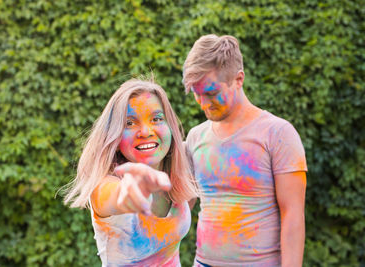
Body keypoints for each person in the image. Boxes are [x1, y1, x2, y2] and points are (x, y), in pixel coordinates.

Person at [182, 34, 307, 267]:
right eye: (196, 93)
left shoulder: (278, 134)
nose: (202, 103)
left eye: (210, 93)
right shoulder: (195, 137)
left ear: (238, 79)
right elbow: (181, 208)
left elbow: (293, 215)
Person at [63, 77, 197, 266]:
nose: (146, 131)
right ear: (115, 139)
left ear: (170, 127)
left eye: (156, 119)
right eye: (130, 123)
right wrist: (130, 192)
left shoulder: (181, 170)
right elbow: (115, 195)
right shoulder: (103, 187)